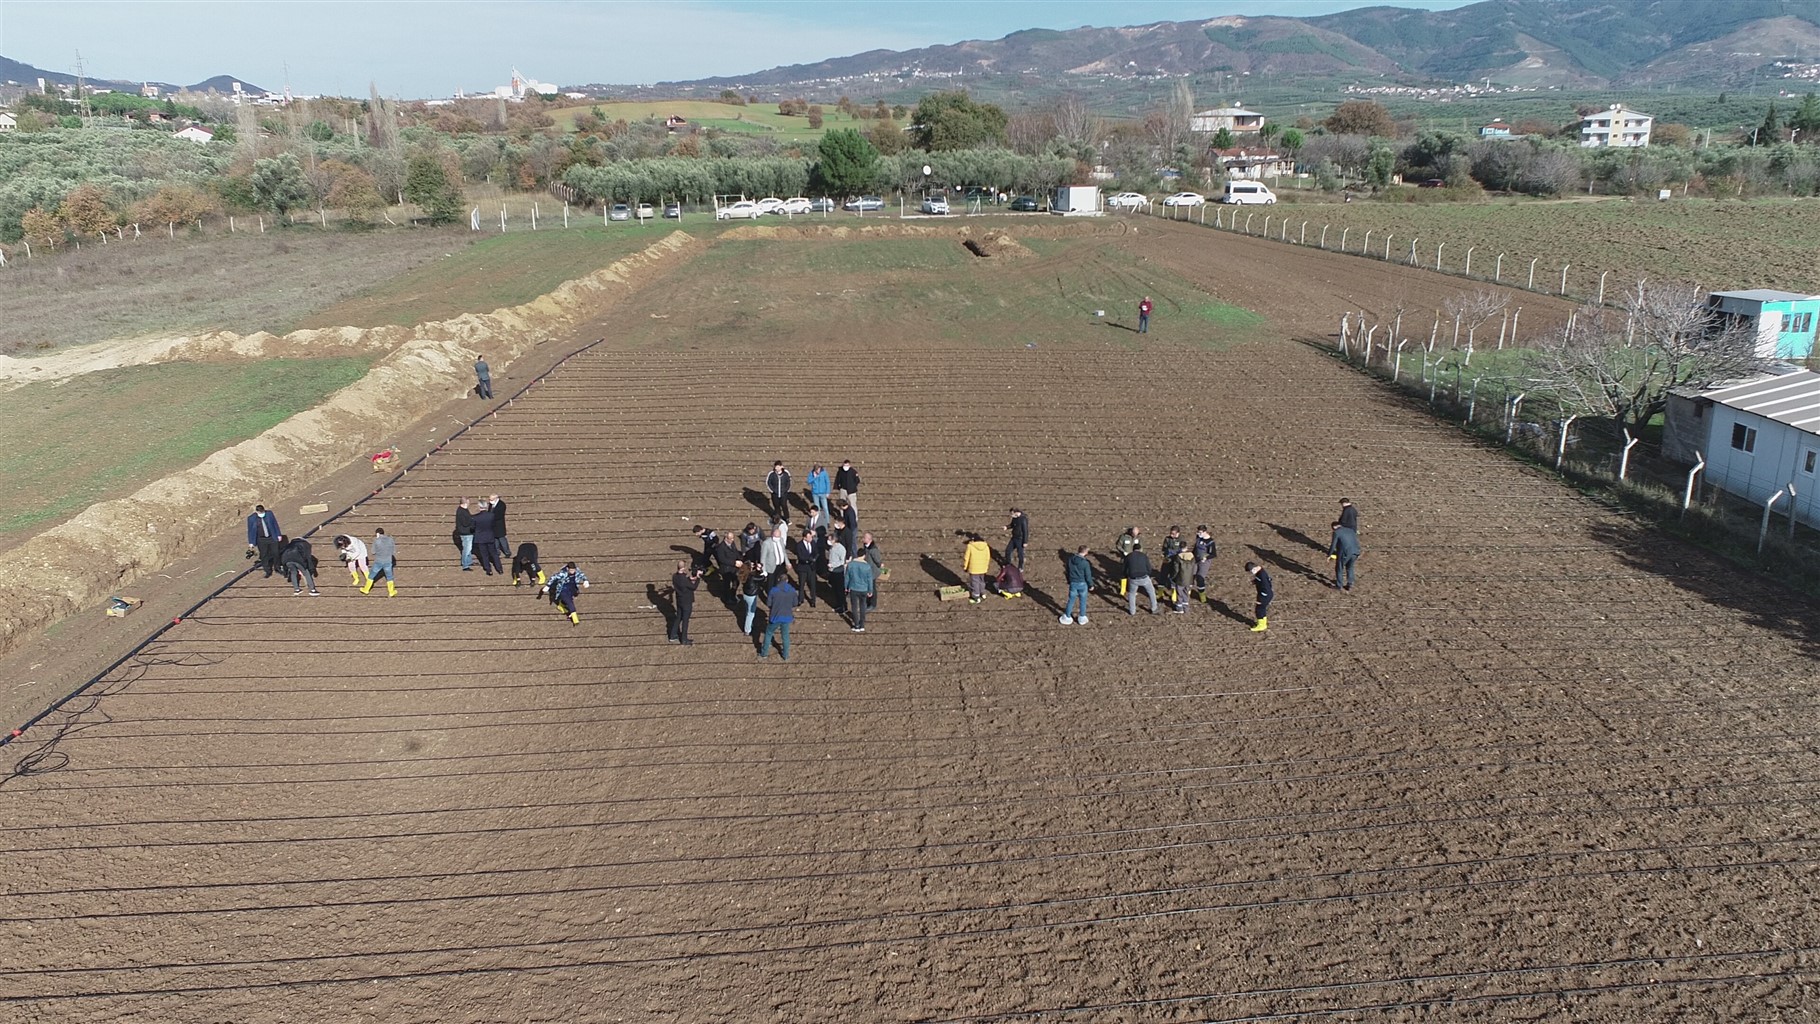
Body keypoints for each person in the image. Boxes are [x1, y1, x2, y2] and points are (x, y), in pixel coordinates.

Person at [760, 574, 798, 660]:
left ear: (778, 580)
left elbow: (768, 603)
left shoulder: (774, 590)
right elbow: (795, 603)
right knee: (785, 635)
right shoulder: (792, 591)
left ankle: (764, 653)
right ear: (787, 580)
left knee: (769, 633)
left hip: (775, 616)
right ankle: (785, 655)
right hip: (787, 616)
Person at [246, 504, 283, 577]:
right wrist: (251, 542)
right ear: (256, 512)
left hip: (272, 537)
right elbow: (250, 531)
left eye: (263, 512)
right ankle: (267, 570)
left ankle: (277, 567)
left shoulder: (269, 514)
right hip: (261, 539)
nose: (262, 514)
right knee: (264, 555)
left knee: (276, 553)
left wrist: (278, 534)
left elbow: (275, 524)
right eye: (260, 513)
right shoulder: (251, 518)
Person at [669, 559, 699, 644]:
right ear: (684, 567)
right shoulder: (684, 580)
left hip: (679, 600)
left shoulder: (675, 576)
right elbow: (693, 587)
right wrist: (698, 579)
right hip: (686, 601)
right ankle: (684, 639)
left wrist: (689, 578)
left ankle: (673, 635)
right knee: (685, 620)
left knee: (678, 617)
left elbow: (685, 583)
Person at [843, 552, 874, 632]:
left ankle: (856, 624)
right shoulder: (867, 566)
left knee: (854, 607)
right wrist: (870, 590)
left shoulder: (851, 564)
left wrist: (846, 587)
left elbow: (847, 577)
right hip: (864, 589)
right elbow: (869, 580)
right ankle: (862, 624)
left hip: (854, 588)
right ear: (863, 555)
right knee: (863, 606)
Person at [471, 498, 503, 576]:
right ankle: (499, 569)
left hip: (480, 538)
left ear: (479, 507)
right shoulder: (491, 516)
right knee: (494, 553)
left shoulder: (475, 517)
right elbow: (493, 525)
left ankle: (488, 569)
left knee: (484, 554)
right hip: (490, 536)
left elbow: (472, 527)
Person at [1062, 545, 1092, 625]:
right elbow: (1088, 575)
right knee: (1083, 601)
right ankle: (1082, 617)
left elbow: (1067, 571)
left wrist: (1069, 580)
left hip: (1073, 583)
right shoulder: (1085, 563)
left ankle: (1067, 616)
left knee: (1071, 600)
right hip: (1082, 584)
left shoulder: (1070, 560)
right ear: (1085, 552)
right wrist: (1091, 585)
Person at [1124, 542, 1157, 615]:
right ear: (1140, 549)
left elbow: (1125, 568)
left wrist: (1126, 576)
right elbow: (1149, 567)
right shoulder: (1144, 556)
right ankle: (1154, 608)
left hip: (1133, 578)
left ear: (1133, 549)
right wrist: (1148, 574)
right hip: (1144, 577)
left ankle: (1132, 611)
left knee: (1132, 594)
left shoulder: (1128, 556)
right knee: (1151, 592)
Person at [363, 528, 397, 596]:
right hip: (388, 561)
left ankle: (366, 589)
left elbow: (373, 552)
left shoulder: (376, 541)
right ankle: (391, 592)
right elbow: (394, 551)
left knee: (371, 575)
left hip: (378, 561)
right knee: (389, 577)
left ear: (377, 534)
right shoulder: (390, 540)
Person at [1329, 519, 1360, 592]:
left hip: (1345, 553)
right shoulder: (1350, 530)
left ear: (1334, 527)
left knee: (1339, 568)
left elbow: (1333, 545)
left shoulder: (1337, 532)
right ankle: (1350, 584)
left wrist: (1329, 554)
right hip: (1355, 551)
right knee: (1350, 567)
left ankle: (1339, 585)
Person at [963, 533, 993, 605]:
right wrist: (986, 566)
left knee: (975, 582)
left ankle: (976, 596)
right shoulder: (986, 546)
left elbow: (966, 558)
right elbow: (988, 557)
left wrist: (965, 567)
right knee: (982, 581)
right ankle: (982, 593)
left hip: (974, 568)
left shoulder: (970, 546)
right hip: (983, 568)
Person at [793, 528, 821, 607]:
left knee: (812, 584)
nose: (810, 539)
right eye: (809, 537)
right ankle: (800, 599)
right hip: (803, 567)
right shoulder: (799, 545)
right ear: (804, 537)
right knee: (801, 584)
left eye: (811, 537)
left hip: (812, 568)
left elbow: (816, 552)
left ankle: (813, 600)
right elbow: (801, 556)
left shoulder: (813, 543)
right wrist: (809, 560)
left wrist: (814, 558)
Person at [736, 559, 764, 635]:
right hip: (751, 596)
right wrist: (761, 571)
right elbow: (762, 579)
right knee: (751, 613)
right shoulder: (751, 577)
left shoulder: (745, 575)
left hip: (746, 595)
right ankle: (747, 630)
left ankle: (749, 625)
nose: (753, 565)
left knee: (747, 611)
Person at [1113, 526, 1142, 596]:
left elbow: (1141, 547)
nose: (1134, 535)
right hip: (1125, 558)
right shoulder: (1123, 537)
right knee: (1124, 574)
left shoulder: (1139, 538)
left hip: (1134, 559)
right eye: (1133, 534)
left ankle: (1133, 589)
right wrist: (1123, 552)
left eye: (1136, 534)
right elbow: (1118, 546)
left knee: (1133, 574)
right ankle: (1123, 590)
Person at [1161, 526, 1187, 602]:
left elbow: (1182, 550)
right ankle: (1160, 592)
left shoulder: (1182, 539)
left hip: (1176, 561)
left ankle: (1174, 594)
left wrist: (1174, 552)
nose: (1171, 535)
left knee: (1174, 577)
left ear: (1178, 533)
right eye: (1171, 533)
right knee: (1163, 575)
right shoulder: (1167, 539)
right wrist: (1165, 553)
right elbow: (1164, 548)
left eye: (1173, 534)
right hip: (1168, 560)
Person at [1246, 561, 1274, 632]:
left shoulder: (1261, 576)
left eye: (1251, 571)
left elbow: (1265, 588)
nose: (1251, 573)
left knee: (1259, 609)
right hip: (1267, 594)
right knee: (1262, 608)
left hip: (1265, 595)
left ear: (1254, 568)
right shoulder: (1261, 572)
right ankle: (1263, 623)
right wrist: (1256, 581)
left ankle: (1261, 625)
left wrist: (1260, 599)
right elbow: (1269, 579)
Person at [1192, 526, 1217, 602]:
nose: (1198, 534)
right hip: (1195, 559)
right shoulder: (1198, 538)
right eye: (1198, 532)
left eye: (1200, 532)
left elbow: (1213, 554)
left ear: (1205, 532)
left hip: (1204, 562)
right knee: (1191, 575)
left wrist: (1206, 558)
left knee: (1200, 577)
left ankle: (1202, 595)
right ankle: (1187, 592)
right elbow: (1195, 548)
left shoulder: (1210, 542)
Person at [858, 532, 883, 609]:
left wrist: (880, 565)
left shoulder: (873, 550)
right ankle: (868, 601)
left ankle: (872, 604)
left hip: (872, 572)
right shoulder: (866, 547)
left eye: (864, 538)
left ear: (869, 539)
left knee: (872, 588)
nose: (862, 539)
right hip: (867, 570)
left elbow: (878, 560)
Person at [825, 531, 848, 610]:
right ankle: (838, 604)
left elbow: (842, 561)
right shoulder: (832, 547)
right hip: (832, 571)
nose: (828, 541)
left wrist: (833, 565)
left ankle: (843, 606)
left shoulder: (841, 549)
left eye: (829, 539)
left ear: (834, 540)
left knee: (840, 590)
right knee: (835, 589)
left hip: (838, 572)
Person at [454, 499, 476, 570]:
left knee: (469, 548)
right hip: (466, 532)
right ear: (465, 503)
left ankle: (469, 561)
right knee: (467, 549)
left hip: (467, 532)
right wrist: (472, 520)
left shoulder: (463, 510)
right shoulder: (461, 512)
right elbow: (465, 523)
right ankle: (465, 565)